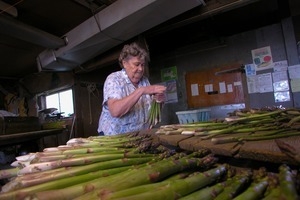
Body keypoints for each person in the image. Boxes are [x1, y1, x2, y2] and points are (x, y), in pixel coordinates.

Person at [97, 42, 166, 135]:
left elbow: (151, 112)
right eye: (137, 64)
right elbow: (115, 111)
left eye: (142, 65)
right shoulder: (114, 79)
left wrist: (158, 102)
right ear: (125, 63)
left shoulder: (144, 81)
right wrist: (141, 91)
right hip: (114, 138)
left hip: (139, 137)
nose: (141, 69)